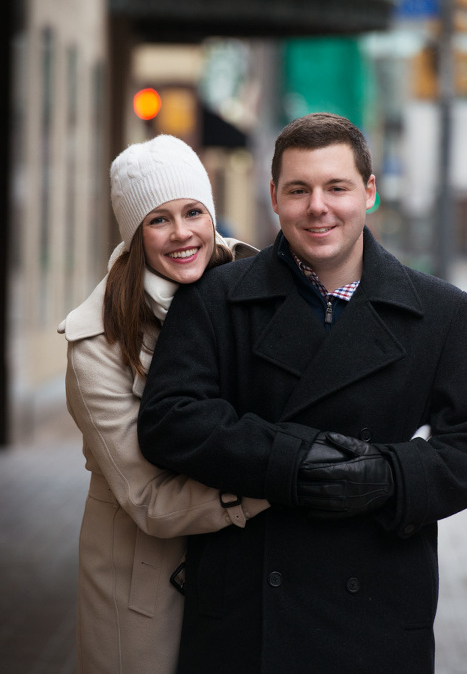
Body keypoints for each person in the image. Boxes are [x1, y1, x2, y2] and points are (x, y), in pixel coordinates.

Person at [138, 113, 467, 674]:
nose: (317, 207)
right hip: (248, 617)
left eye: (336, 187)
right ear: (274, 196)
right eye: (299, 190)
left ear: (368, 193)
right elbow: (170, 420)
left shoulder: (438, 310)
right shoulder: (215, 298)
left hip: (377, 613)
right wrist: (289, 461)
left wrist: (391, 476)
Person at [57, 134, 268, 674]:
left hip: (236, 563)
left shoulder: (256, 288)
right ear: (135, 234)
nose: (182, 234)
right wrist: (280, 485)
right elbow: (147, 498)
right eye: (158, 219)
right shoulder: (95, 345)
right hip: (141, 577)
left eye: (194, 211)